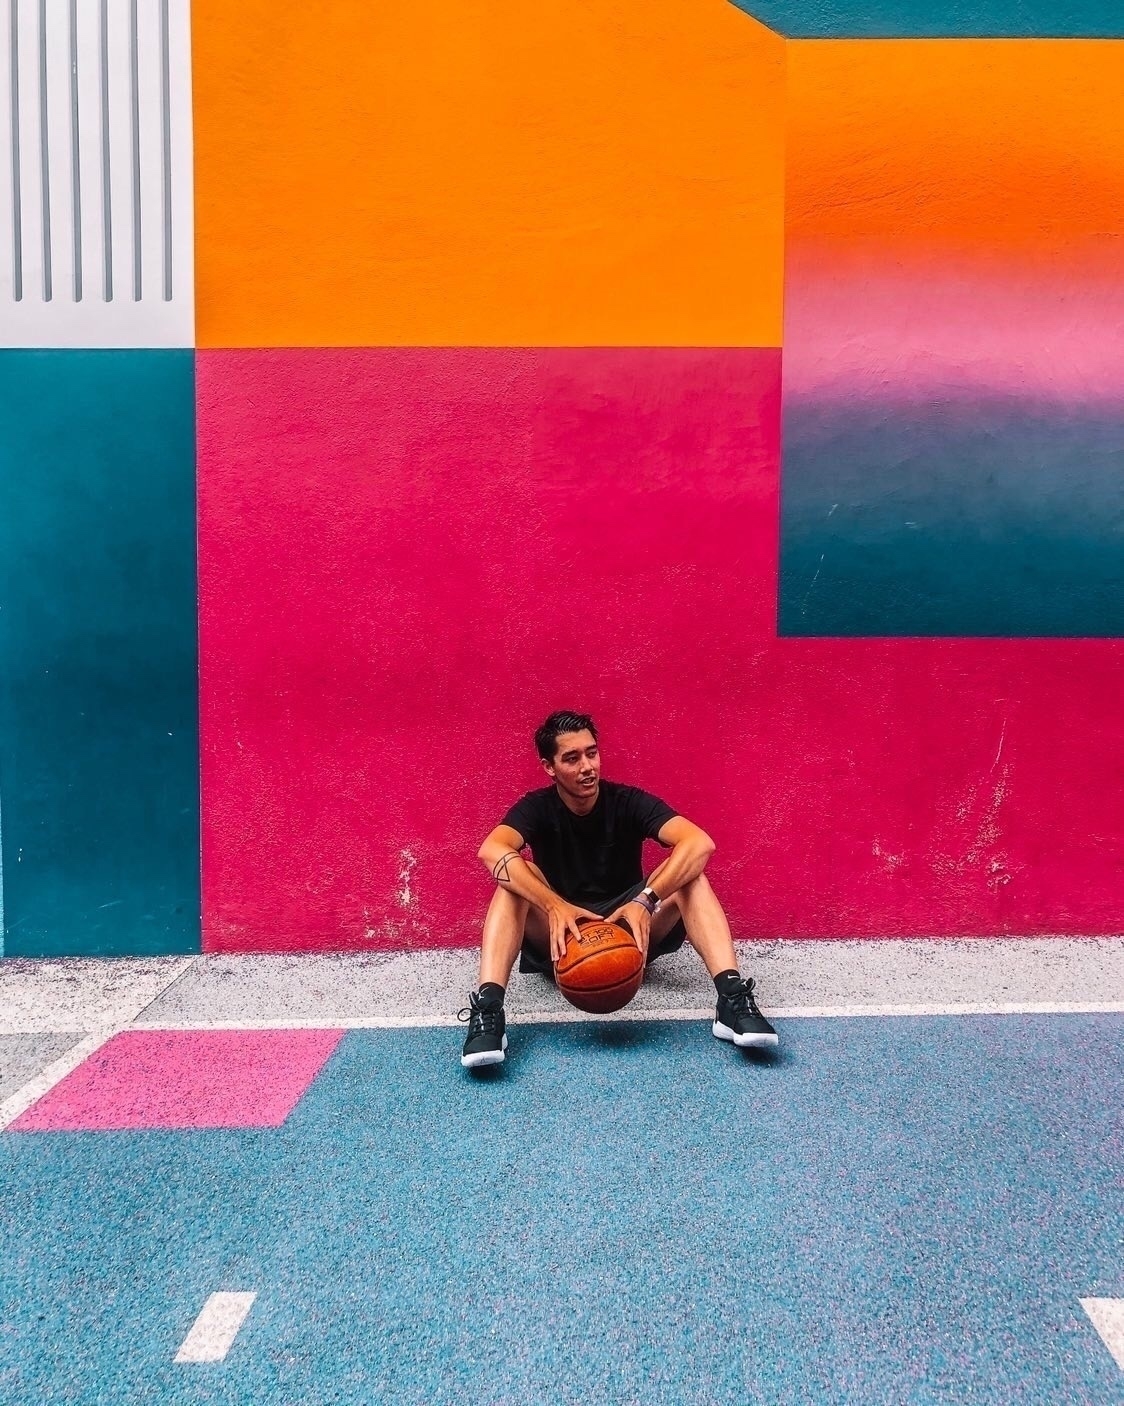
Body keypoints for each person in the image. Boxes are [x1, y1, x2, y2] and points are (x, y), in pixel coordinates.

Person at [459, 710, 778, 1067]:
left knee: (692, 877)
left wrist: (646, 900)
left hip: (628, 925)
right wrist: (553, 906)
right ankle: (489, 1009)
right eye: (572, 758)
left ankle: (730, 999)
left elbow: (699, 843)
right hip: (562, 934)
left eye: (591, 753)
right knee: (513, 882)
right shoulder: (536, 807)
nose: (587, 766)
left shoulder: (627, 802)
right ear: (549, 767)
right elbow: (491, 850)